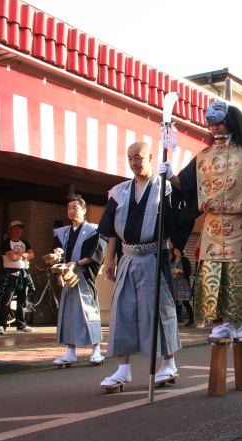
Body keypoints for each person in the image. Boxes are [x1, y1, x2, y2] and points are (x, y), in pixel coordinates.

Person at [162, 101, 242, 341]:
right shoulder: (203, 156)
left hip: (240, 223)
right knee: (212, 271)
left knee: (238, 273)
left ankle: (239, 320)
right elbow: (187, 186)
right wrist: (170, 176)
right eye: (211, 123)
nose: (215, 128)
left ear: (232, 122)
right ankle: (222, 320)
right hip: (211, 225)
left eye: (219, 122)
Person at [98, 141, 185, 390]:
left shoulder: (164, 189)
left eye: (139, 157)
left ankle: (169, 363)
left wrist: (174, 179)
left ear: (150, 157)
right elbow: (110, 230)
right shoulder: (118, 192)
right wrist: (109, 259)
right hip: (127, 257)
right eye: (130, 158)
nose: (135, 162)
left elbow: (185, 205)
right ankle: (123, 369)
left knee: (159, 310)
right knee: (122, 312)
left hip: (154, 257)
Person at [51, 194, 106, 365]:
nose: (72, 210)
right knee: (67, 314)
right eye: (69, 207)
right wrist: (57, 257)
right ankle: (70, 351)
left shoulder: (94, 230)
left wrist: (76, 263)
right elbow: (57, 254)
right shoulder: (63, 233)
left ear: (84, 210)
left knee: (88, 312)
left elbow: (95, 255)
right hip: (68, 277)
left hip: (83, 276)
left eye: (75, 207)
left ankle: (96, 350)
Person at [0, 220, 35, 334]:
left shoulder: (25, 243)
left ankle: (21, 324)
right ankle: (1, 325)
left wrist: (21, 255)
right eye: (15, 228)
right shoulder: (6, 243)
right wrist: (24, 255)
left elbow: (31, 255)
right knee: (7, 299)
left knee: (23, 299)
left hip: (23, 273)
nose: (18, 231)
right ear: (11, 230)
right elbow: (12, 257)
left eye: (20, 229)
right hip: (10, 273)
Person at [171, 247, 194, 327]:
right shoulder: (171, 260)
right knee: (173, 302)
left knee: (185, 302)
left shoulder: (185, 260)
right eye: (175, 249)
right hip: (173, 283)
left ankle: (191, 320)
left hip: (183, 284)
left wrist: (179, 271)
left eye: (178, 249)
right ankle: (174, 320)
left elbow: (189, 272)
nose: (177, 251)